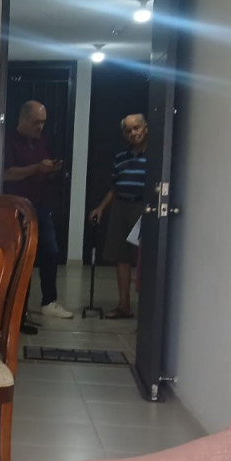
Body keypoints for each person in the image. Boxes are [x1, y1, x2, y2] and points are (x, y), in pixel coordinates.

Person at [2, 100, 73, 319]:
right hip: (15, 208)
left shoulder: (41, 141)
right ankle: (18, 308)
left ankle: (49, 302)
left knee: (50, 252)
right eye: (36, 122)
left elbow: (41, 170)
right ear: (23, 119)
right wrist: (36, 168)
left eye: (43, 122)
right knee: (22, 256)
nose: (40, 127)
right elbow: (5, 174)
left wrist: (51, 169)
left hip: (40, 205)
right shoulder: (7, 140)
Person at [89, 113, 149, 319]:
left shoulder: (155, 155)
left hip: (143, 208)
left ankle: (148, 309)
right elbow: (115, 187)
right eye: (128, 130)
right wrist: (100, 208)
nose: (133, 133)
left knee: (145, 258)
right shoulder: (121, 157)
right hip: (121, 207)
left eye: (137, 128)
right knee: (121, 257)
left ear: (146, 128)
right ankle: (124, 305)